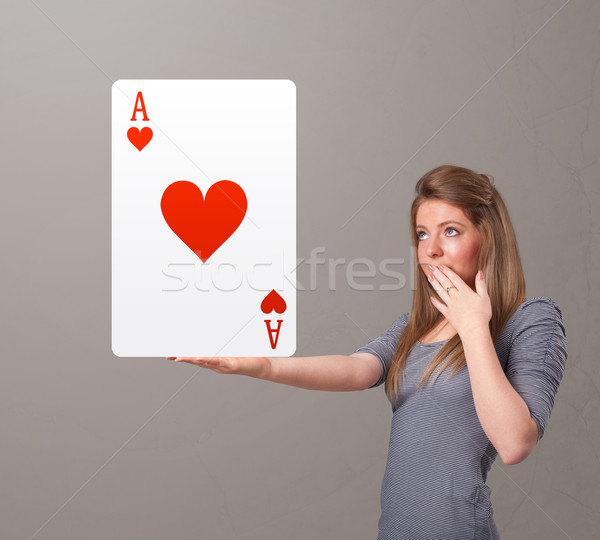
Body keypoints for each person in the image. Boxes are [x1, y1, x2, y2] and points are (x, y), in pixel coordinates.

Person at [167, 165, 568, 539]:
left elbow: (516, 443)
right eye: (422, 234)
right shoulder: (414, 326)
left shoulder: (530, 318)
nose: (430, 250)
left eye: (450, 231)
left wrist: (474, 326)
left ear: (488, 237)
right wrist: (258, 365)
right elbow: (355, 368)